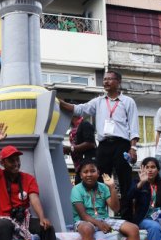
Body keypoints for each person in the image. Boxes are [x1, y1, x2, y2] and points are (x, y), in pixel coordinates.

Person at [59, 70, 139, 209]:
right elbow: (80, 109)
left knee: (124, 178)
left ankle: (127, 214)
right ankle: (101, 212)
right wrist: (59, 102)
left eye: (110, 79)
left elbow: (133, 125)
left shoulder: (128, 101)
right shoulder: (99, 101)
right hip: (103, 145)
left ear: (118, 82)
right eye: (105, 79)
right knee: (101, 178)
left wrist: (133, 148)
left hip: (122, 144)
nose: (106, 81)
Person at [71, 159, 153, 240]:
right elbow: (83, 216)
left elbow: (115, 208)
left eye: (92, 171)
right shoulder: (76, 189)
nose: (89, 174)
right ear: (81, 175)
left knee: (133, 229)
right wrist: (99, 223)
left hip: (104, 218)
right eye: (85, 172)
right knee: (86, 229)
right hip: (84, 221)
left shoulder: (103, 187)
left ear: (98, 173)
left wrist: (111, 187)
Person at [67, 116, 96, 184]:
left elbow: (90, 143)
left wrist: (70, 149)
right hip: (79, 164)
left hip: (87, 163)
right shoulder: (73, 128)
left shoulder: (85, 125)